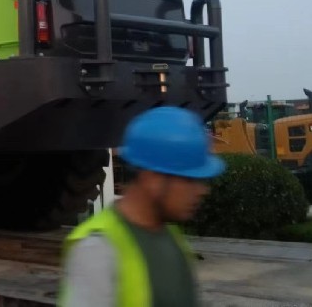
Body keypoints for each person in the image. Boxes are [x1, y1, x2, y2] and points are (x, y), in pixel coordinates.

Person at [58, 106, 226, 307]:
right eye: (189, 179)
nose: (202, 190)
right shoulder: (98, 249)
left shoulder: (172, 237)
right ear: (153, 178)